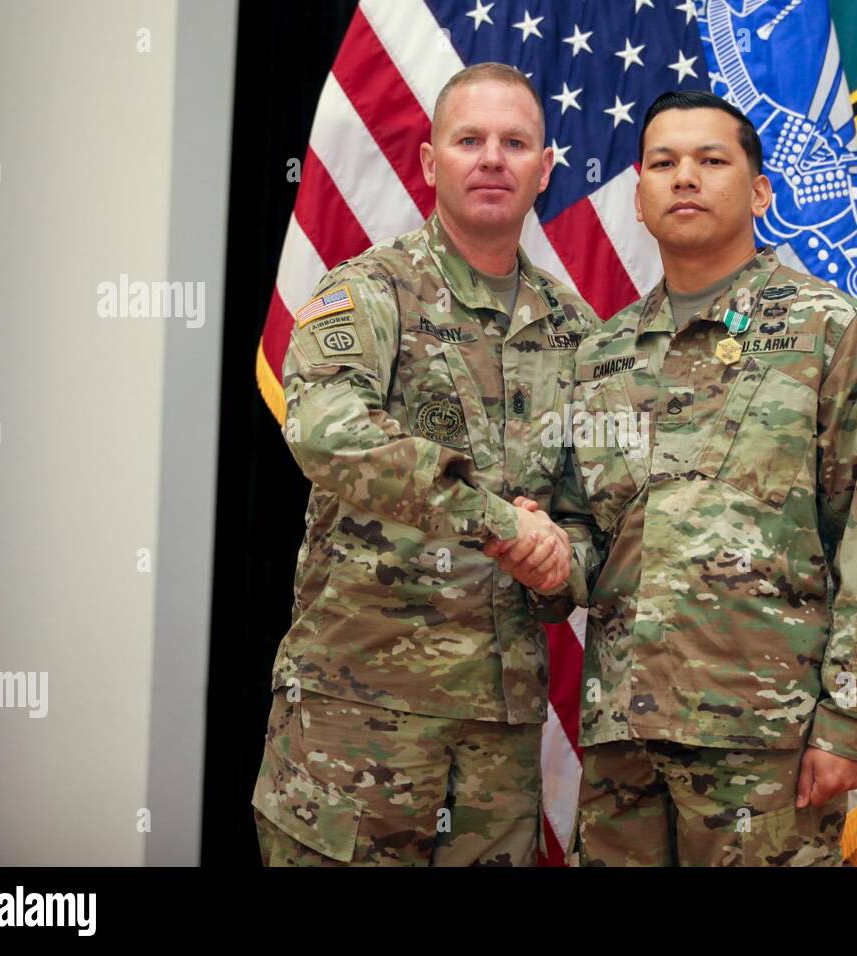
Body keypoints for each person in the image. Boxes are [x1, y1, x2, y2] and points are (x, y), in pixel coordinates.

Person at [251, 62, 602, 866]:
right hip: (356, 718)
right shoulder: (369, 294)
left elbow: (596, 509)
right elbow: (329, 431)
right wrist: (494, 520)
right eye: (469, 139)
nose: (491, 159)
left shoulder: (577, 332)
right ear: (428, 159)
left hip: (498, 739)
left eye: (515, 143)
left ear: (545, 169)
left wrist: (561, 564)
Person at [571, 90, 857, 866]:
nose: (685, 178)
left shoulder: (832, 332)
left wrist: (852, 723)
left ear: (762, 190)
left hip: (768, 741)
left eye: (711, 160)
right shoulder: (601, 356)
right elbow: (581, 528)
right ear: (638, 195)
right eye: (663, 163)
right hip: (621, 739)